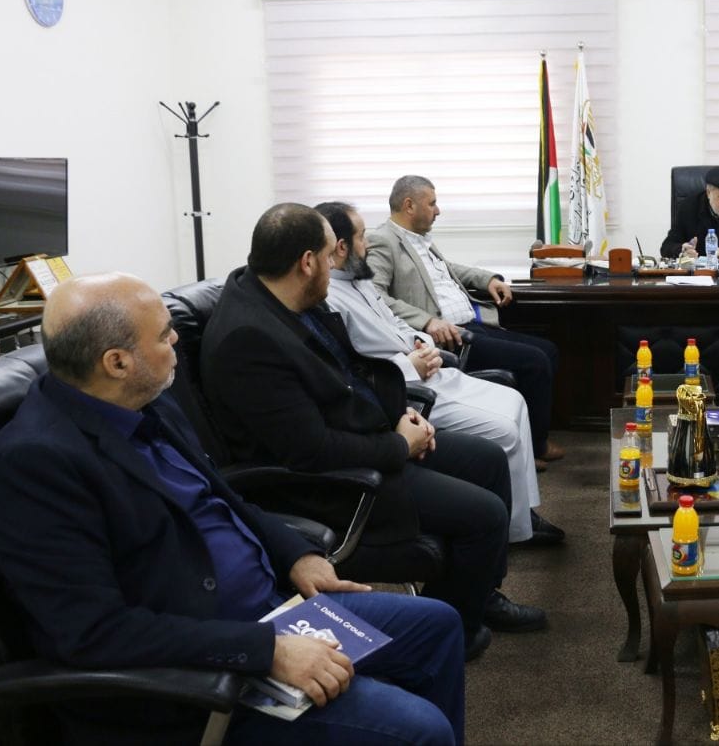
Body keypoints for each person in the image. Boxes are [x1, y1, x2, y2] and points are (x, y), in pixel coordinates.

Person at [0, 273, 464, 745]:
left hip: (266, 612)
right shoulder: (36, 464)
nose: (177, 339)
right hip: (193, 677)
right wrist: (267, 651)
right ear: (117, 362)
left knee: (438, 626)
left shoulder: (144, 402)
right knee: (420, 730)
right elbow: (94, 632)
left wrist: (295, 555)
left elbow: (225, 496)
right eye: (163, 334)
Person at [201, 203, 545, 663]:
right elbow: (311, 450)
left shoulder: (286, 299)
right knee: (484, 515)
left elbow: (353, 375)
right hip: (331, 482)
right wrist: (399, 444)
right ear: (307, 262)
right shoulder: (249, 339)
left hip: (367, 434)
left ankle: (479, 595)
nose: (335, 265)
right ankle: (450, 634)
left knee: (487, 459)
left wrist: (400, 414)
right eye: (329, 256)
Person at [315, 201, 564, 546]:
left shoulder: (361, 281)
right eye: (361, 237)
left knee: (515, 400)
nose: (367, 243)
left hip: (428, 367)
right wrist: (412, 364)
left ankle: (523, 515)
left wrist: (424, 344)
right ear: (341, 247)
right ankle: (515, 529)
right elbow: (355, 365)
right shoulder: (331, 297)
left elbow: (396, 323)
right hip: (407, 388)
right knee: (504, 429)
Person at [367, 175, 563, 467]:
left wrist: (489, 279)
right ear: (409, 205)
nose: (438, 210)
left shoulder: (419, 239)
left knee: (549, 350)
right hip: (451, 339)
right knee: (535, 361)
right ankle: (534, 448)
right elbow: (375, 296)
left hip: (472, 323)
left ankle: (536, 436)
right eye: (432, 203)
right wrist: (427, 321)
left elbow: (449, 269)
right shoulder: (383, 241)